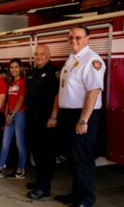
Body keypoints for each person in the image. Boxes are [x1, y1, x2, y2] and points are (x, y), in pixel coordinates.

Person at [55, 26, 105, 207]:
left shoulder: (92, 60)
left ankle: (87, 199)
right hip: (69, 115)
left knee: (83, 158)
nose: (73, 41)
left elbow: (94, 91)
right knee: (73, 158)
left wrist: (83, 120)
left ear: (87, 39)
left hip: (83, 115)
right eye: (70, 38)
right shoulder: (72, 59)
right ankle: (75, 195)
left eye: (78, 37)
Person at [25, 45, 59, 200]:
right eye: (36, 54)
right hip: (33, 119)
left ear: (49, 55)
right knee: (37, 152)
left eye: (42, 54)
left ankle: (44, 188)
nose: (39, 56)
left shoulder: (54, 73)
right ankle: (39, 181)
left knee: (46, 154)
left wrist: (53, 117)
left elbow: (58, 96)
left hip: (46, 121)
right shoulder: (32, 72)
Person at [0, 58, 27, 179]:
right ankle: (0, 169)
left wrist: (12, 114)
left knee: (20, 144)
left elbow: (21, 100)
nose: (14, 70)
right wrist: (6, 114)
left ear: (20, 68)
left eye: (16, 67)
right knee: (5, 143)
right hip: (10, 116)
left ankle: (20, 170)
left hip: (19, 115)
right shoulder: (10, 83)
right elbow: (7, 101)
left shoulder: (23, 82)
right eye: (11, 67)